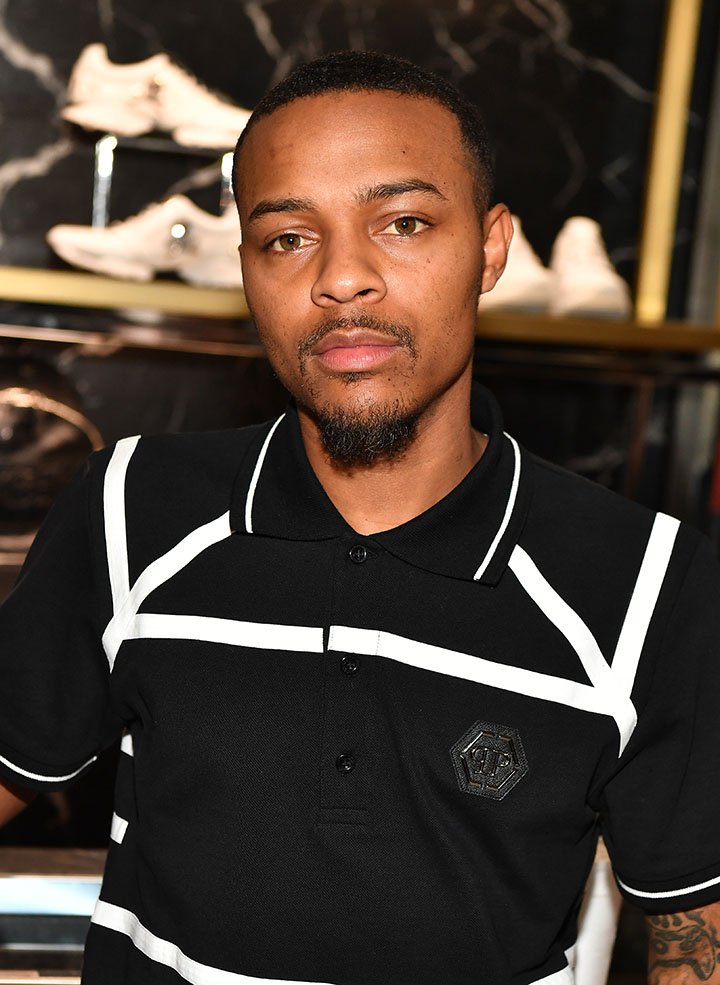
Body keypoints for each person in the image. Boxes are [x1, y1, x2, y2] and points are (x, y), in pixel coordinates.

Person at [1, 50, 720, 985]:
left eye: (404, 222)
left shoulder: (650, 582)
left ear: (492, 248)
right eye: (288, 237)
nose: (344, 277)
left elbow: (694, 943)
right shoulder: (130, 505)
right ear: (245, 268)